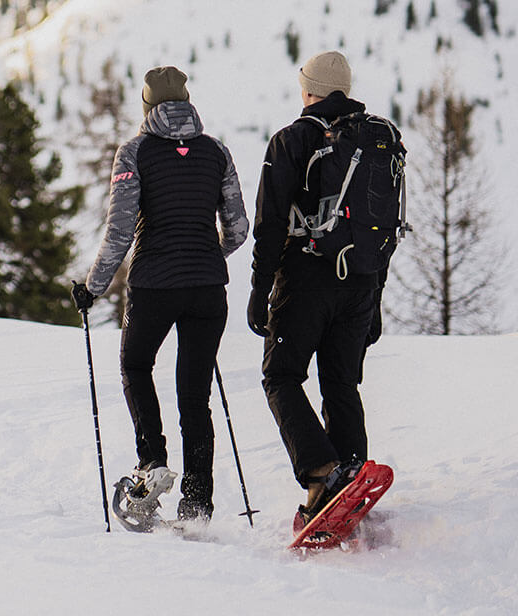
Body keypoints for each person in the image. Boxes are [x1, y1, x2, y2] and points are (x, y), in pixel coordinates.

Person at [73, 66, 249, 522]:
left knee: (135, 364)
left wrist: (91, 289)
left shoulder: (135, 153)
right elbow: (238, 228)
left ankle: (152, 463)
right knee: (195, 397)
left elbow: (119, 231)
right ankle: (197, 504)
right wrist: (207, 253)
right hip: (209, 289)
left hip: (154, 285)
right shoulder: (216, 152)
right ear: (186, 102)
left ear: (148, 106)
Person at [247, 50, 387, 528]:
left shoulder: (291, 140)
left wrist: (259, 290)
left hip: (306, 278)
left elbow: (268, 225)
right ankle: (351, 474)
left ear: (309, 91)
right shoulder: (375, 140)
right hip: (361, 281)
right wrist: (375, 302)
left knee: (281, 376)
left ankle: (323, 475)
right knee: (340, 381)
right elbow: (379, 228)